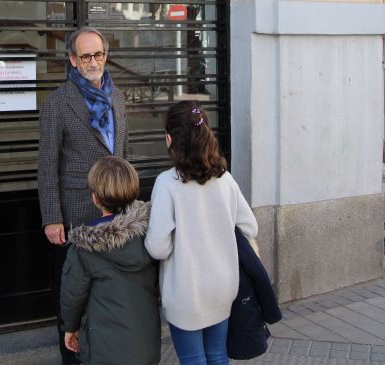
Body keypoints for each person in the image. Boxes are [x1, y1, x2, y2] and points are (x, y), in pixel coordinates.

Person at [38, 27, 130, 365]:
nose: (94, 62)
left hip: (115, 217)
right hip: (75, 215)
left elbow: (124, 156)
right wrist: (52, 217)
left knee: (108, 293)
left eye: (99, 55)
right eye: (86, 56)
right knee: (73, 296)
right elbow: (47, 166)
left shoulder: (117, 97)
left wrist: (129, 207)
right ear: (74, 61)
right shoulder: (58, 103)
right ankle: (72, 358)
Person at [145, 101, 258, 365]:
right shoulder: (225, 178)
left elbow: (158, 247)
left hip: (186, 292)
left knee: (193, 359)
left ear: (170, 138)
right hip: (223, 286)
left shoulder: (167, 183)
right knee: (218, 356)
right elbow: (250, 227)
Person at [60, 157, 161, 365]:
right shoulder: (151, 233)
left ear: (95, 198)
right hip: (145, 344)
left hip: (104, 350)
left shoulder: (84, 247)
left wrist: (70, 328)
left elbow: (73, 295)